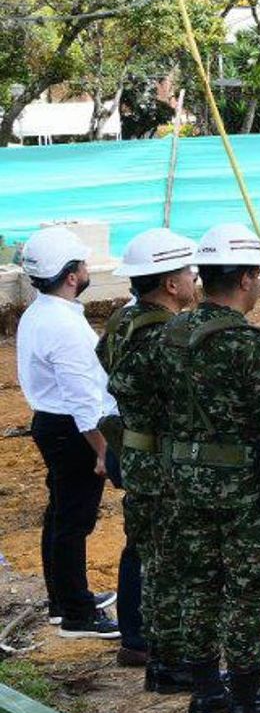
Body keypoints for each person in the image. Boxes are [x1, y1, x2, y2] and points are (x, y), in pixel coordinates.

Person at [150, 223, 260, 713]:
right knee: (249, 593)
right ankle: (246, 700)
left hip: (181, 485)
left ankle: (206, 692)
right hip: (244, 493)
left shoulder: (169, 334)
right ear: (246, 278)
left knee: (198, 586)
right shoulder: (248, 345)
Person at [99, 228, 202, 686]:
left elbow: (106, 363)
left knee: (139, 543)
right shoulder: (170, 334)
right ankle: (166, 652)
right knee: (170, 555)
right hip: (163, 457)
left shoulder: (122, 320)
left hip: (132, 448)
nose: (195, 280)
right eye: (189, 273)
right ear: (171, 284)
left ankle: (136, 638)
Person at [14, 228, 120, 641]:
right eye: (83, 264)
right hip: (73, 430)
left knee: (60, 514)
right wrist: (102, 450)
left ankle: (64, 602)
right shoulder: (64, 326)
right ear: (72, 275)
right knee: (74, 521)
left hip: (54, 423)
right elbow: (82, 400)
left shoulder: (42, 314)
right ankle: (77, 614)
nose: (88, 268)